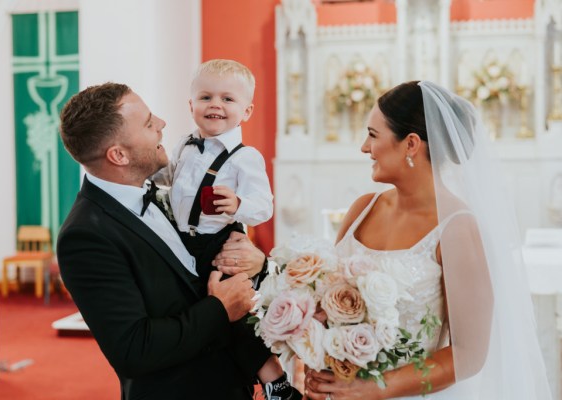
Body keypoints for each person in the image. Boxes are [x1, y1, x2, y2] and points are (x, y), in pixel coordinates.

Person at [305, 81, 551, 399]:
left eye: (373, 135)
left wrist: (374, 389)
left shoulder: (457, 228)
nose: (364, 147)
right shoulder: (362, 209)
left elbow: (468, 355)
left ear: (410, 144)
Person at [57, 82, 270, 400]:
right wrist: (220, 308)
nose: (162, 123)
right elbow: (134, 349)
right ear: (118, 155)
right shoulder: (85, 235)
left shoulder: (160, 194)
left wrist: (256, 262)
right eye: (147, 123)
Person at [153, 60, 298, 399]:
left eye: (228, 99)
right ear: (191, 106)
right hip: (182, 241)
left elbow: (264, 206)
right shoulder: (183, 146)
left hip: (219, 245)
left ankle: (274, 378)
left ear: (246, 111)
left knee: (232, 315)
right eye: (205, 97)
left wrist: (238, 205)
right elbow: (170, 181)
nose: (215, 105)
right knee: (196, 313)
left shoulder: (245, 158)